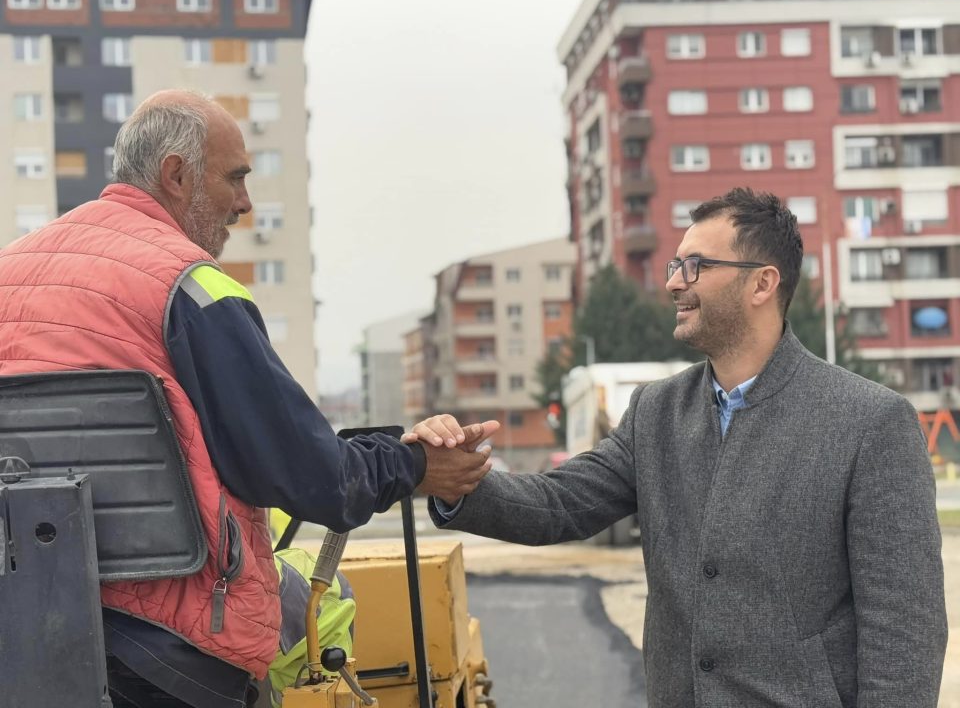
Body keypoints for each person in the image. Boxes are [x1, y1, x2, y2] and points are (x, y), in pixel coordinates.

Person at [0, 89, 492, 708]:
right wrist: (416, 462)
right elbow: (314, 480)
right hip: (170, 661)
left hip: (23, 641)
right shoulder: (192, 287)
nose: (245, 203)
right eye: (234, 180)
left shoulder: (9, 272)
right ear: (176, 175)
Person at [406, 188, 948, 707]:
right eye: (674, 265)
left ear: (762, 284)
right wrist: (453, 477)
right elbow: (558, 504)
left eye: (696, 266)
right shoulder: (656, 412)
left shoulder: (870, 422)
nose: (673, 283)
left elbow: (904, 629)